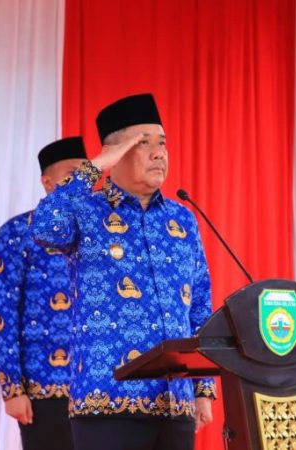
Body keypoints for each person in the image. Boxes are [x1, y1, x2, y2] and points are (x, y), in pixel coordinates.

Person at [29, 94, 216, 450]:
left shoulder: (182, 219)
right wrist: (96, 166)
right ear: (114, 153)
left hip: (174, 405)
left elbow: (200, 307)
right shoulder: (86, 210)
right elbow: (44, 227)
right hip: (107, 405)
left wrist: (203, 388)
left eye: (162, 143)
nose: (159, 153)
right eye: (144, 143)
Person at [0, 137, 87, 450]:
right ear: (47, 182)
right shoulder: (17, 232)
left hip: (100, 387)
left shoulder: (103, 232)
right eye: (73, 173)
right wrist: (12, 389)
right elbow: (3, 313)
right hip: (44, 387)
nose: (82, 182)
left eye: (88, 174)